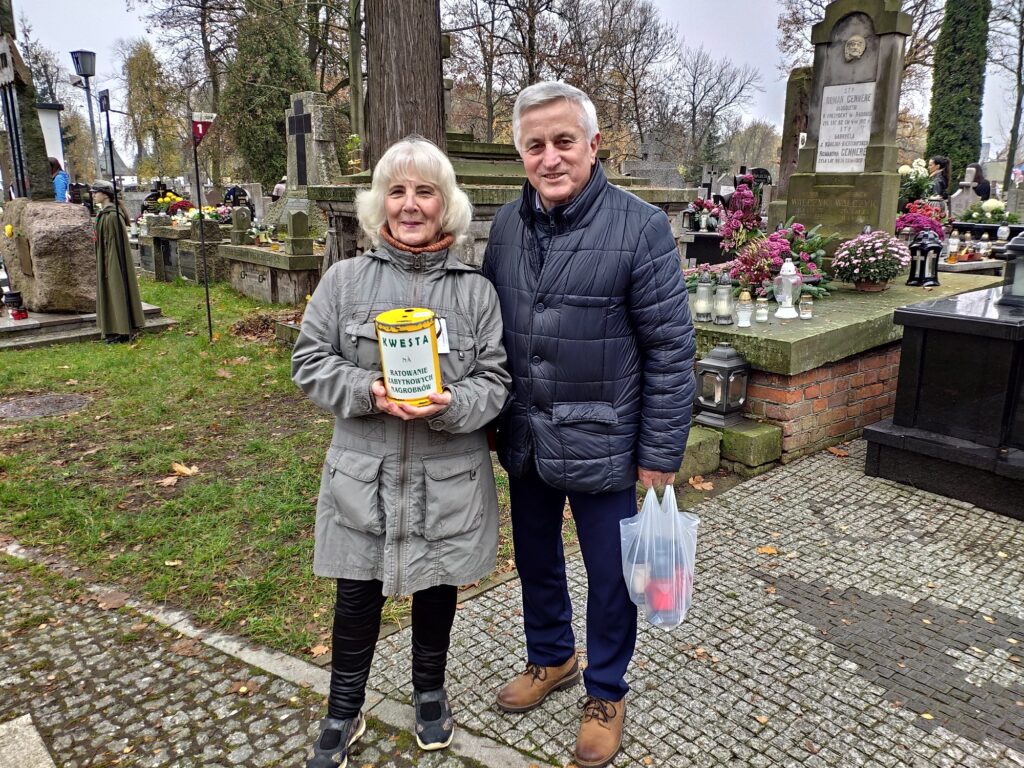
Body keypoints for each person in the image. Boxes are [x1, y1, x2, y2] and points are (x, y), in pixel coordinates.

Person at [482, 82, 696, 768]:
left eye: (563, 141)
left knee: (612, 576)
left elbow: (670, 350)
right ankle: (552, 656)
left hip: (606, 440)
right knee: (536, 559)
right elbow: (491, 330)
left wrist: (660, 452)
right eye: (535, 145)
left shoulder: (640, 227)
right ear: (521, 154)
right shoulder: (506, 226)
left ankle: (605, 690)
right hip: (527, 435)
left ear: (594, 144)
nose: (550, 158)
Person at [291, 136, 510, 768]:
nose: (410, 204)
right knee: (357, 590)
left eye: (425, 192)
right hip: (366, 471)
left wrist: (453, 405)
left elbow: (496, 381)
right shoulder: (344, 281)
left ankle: (429, 692)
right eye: (397, 191)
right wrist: (369, 391)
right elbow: (309, 362)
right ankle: (343, 708)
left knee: (437, 586)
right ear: (380, 202)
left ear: (446, 205)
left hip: (447, 473)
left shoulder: (476, 293)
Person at [91, 180, 144, 343]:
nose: (93, 195)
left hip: (114, 259)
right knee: (111, 289)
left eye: (96, 192)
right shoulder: (104, 214)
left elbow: (116, 243)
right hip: (106, 257)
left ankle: (124, 330)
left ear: (105, 194)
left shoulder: (113, 216)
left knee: (117, 287)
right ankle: (114, 327)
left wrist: (111, 262)